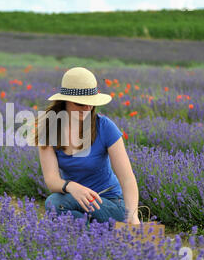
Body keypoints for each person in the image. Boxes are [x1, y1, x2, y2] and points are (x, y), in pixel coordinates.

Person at [34, 67, 140, 224]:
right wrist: (72, 187)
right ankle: (101, 235)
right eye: (81, 103)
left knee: (60, 213)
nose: (88, 108)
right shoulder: (49, 130)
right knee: (54, 202)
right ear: (65, 101)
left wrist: (132, 216)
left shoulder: (105, 127)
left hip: (109, 202)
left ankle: (92, 233)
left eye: (91, 103)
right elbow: (51, 180)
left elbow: (127, 179)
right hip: (75, 198)